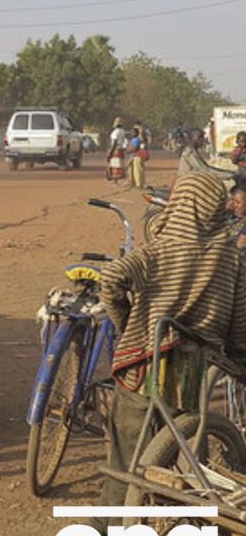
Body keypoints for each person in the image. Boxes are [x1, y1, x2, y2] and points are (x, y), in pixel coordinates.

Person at [97, 172, 246, 507]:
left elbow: (111, 280)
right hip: (197, 373)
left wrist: (127, 325)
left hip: (144, 366)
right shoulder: (230, 257)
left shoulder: (158, 251)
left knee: (125, 457)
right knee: (190, 459)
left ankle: (105, 530)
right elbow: (238, 326)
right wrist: (239, 361)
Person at [127, 125, 148, 189]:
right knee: (134, 170)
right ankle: (134, 183)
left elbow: (134, 148)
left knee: (137, 171)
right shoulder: (137, 139)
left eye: (133, 132)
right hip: (135, 156)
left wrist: (128, 149)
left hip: (136, 156)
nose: (132, 133)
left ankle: (138, 184)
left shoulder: (136, 140)